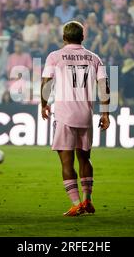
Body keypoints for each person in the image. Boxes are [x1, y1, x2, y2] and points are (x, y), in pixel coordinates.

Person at [41, 21, 110, 216]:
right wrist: (105, 113)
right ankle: (88, 200)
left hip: (64, 114)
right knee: (85, 158)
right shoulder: (94, 58)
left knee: (66, 161)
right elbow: (104, 86)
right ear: (83, 38)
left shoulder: (55, 56)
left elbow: (46, 82)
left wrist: (43, 104)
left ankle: (76, 203)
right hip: (86, 115)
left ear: (64, 38)